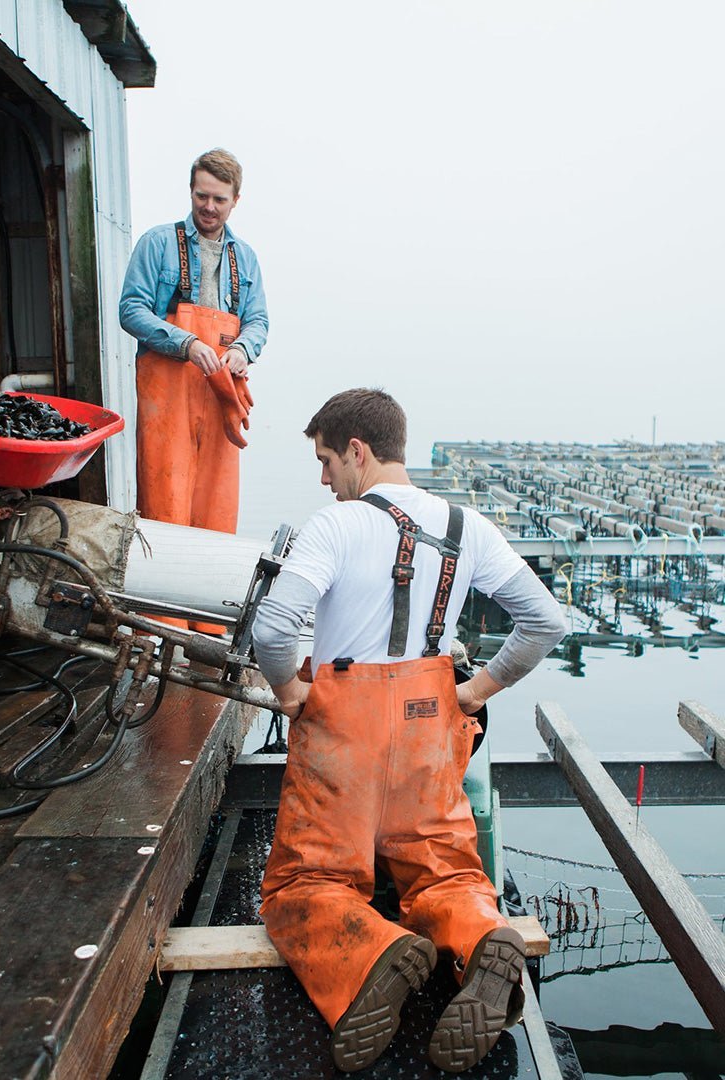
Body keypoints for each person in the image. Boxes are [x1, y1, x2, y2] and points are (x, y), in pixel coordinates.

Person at [251, 389, 567, 1073]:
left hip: (344, 735)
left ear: (357, 451)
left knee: (307, 884)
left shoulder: (335, 526)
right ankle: (482, 937)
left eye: (326, 461)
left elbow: (273, 629)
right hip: (428, 728)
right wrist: (475, 691)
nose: (324, 479)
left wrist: (290, 693)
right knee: (444, 871)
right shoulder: (466, 525)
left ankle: (373, 954)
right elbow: (546, 622)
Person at [119, 149, 268, 629]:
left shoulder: (246, 258)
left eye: (219, 199)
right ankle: (160, 626)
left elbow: (259, 321)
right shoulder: (157, 243)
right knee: (164, 503)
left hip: (221, 396)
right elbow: (131, 310)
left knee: (216, 509)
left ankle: (208, 626)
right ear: (190, 191)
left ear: (235, 200)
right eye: (202, 196)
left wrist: (243, 349)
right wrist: (185, 343)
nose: (209, 206)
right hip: (168, 395)